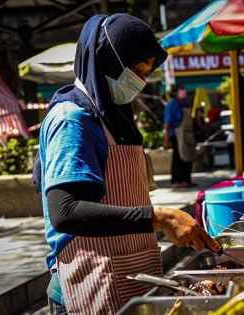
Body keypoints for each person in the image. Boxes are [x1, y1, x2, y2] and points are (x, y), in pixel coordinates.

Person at [32, 13, 221, 314]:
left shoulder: (117, 120)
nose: (140, 81)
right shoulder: (71, 119)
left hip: (132, 277)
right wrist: (159, 218)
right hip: (87, 284)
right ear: (106, 59)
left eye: (146, 72)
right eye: (136, 69)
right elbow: (64, 212)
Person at [163, 83, 197, 188]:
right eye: (181, 89)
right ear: (175, 92)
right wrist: (167, 137)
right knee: (178, 157)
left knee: (188, 156)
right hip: (176, 134)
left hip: (187, 134)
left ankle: (187, 180)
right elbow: (168, 122)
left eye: (183, 88)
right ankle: (176, 181)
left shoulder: (186, 104)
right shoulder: (172, 104)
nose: (184, 91)